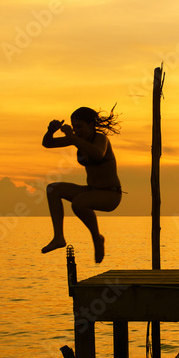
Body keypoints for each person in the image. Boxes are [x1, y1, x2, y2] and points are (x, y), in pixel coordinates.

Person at [40, 106, 122, 263]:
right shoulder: (77, 139)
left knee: (79, 203)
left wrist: (71, 136)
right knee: (53, 189)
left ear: (91, 126)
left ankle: (96, 238)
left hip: (110, 195)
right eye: (74, 126)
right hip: (91, 191)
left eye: (80, 126)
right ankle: (58, 237)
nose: (76, 130)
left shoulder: (100, 139)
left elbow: (97, 154)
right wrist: (51, 130)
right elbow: (48, 144)